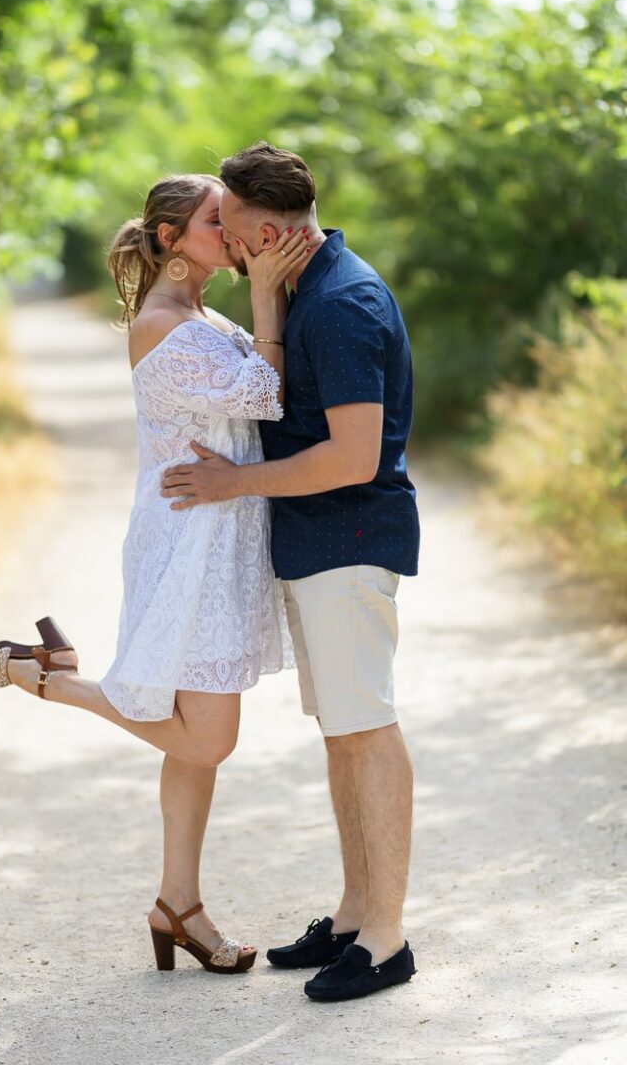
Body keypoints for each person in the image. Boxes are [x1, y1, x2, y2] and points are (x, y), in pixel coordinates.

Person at [0, 173, 310, 975]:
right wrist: (267, 294)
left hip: (218, 541)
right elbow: (265, 396)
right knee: (210, 737)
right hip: (188, 546)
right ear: (171, 240)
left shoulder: (200, 316)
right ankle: (42, 677)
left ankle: (178, 905)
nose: (230, 235)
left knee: (192, 747)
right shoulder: (166, 326)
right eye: (214, 223)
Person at [160, 143, 420, 1002]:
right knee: (342, 734)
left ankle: (385, 941)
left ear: (268, 230)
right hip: (315, 544)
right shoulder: (303, 290)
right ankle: (354, 913)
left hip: (348, 537)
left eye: (231, 231)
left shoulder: (343, 302)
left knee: (366, 731)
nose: (228, 248)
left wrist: (233, 483)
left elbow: (350, 455)